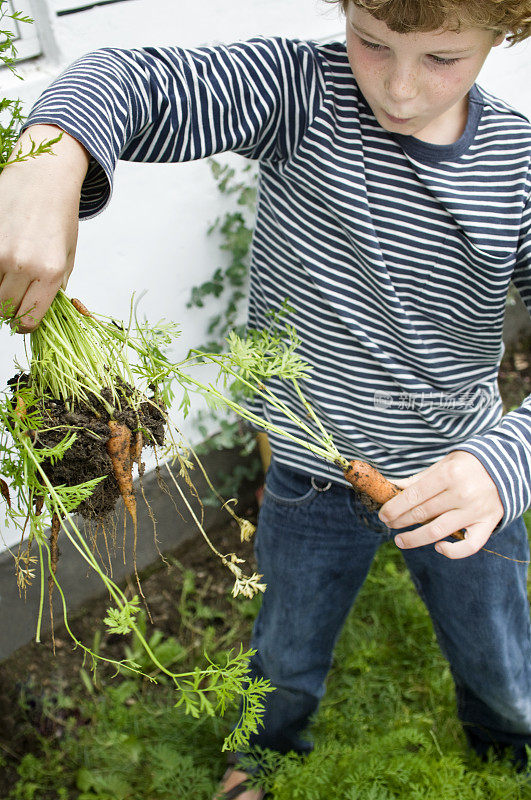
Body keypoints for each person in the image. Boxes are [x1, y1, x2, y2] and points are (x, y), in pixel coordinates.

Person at [1, 0, 530, 797]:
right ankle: (269, 750)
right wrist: (51, 153)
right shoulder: (300, 93)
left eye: (440, 59)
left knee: (498, 653)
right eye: (370, 42)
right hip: (309, 475)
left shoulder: (517, 171)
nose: (395, 87)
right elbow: (134, 80)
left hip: (456, 480)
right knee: (284, 652)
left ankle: (507, 736)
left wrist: (503, 463)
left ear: (506, 31)